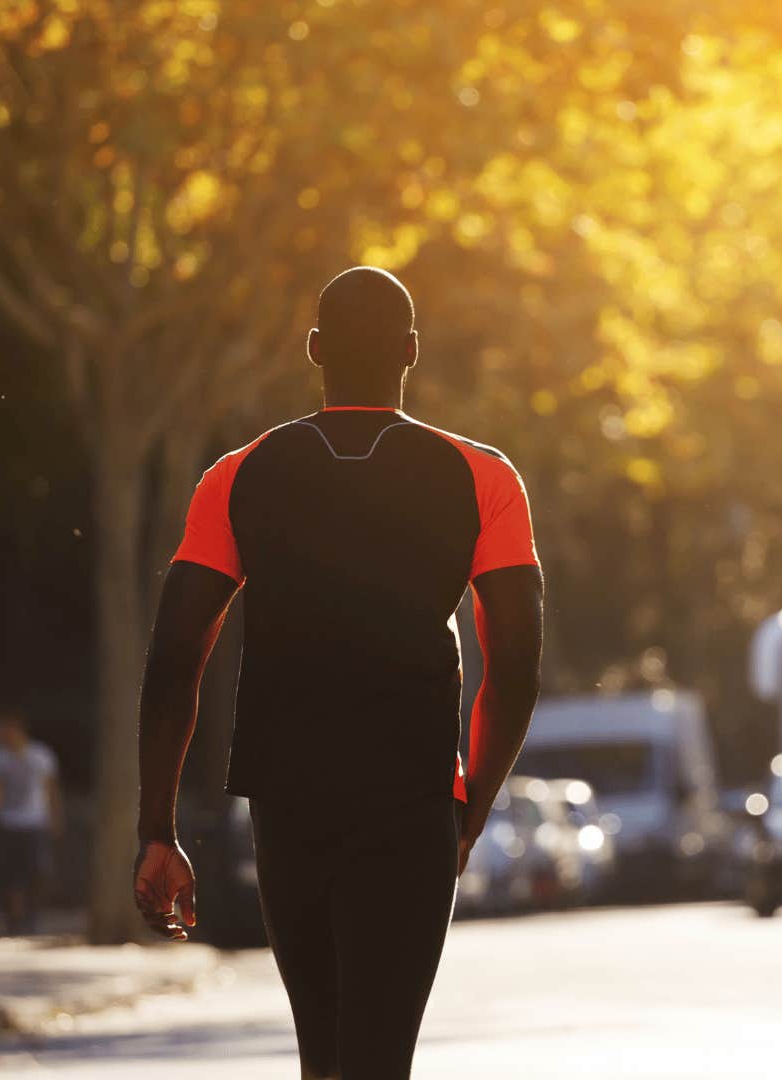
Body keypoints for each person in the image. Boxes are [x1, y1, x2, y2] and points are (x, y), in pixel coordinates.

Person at [133, 266, 545, 1079]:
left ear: (314, 349)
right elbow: (517, 664)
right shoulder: (483, 477)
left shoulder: (238, 475)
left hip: (289, 803)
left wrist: (158, 828)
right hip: (411, 797)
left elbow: (176, 656)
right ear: (412, 352)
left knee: (323, 1058)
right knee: (378, 1060)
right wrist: (474, 802)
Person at [0, 708, 63, 936]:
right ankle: (16, 919)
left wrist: (55, 817)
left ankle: (31, 914)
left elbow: (51, 790)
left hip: (35, 823)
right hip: (8, 823)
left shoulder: (41, 755)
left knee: (38, 871)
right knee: (12, 875)